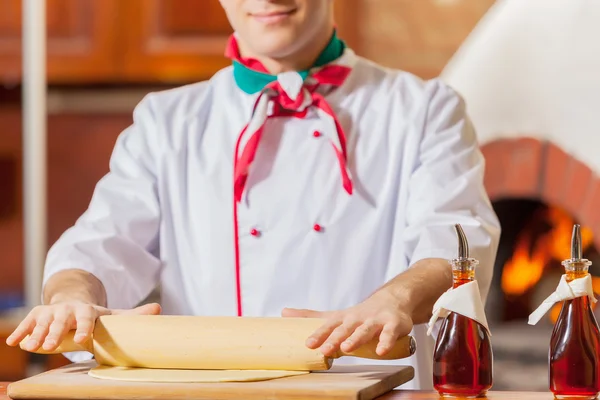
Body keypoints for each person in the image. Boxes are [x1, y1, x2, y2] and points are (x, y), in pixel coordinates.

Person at [5, 0, 500, 390]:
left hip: (371, 387)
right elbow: (98, 246)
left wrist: (393, 300)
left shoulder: (425, 109)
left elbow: (456, 241)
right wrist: (71, 301)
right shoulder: (165, 122)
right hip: (208, 394)